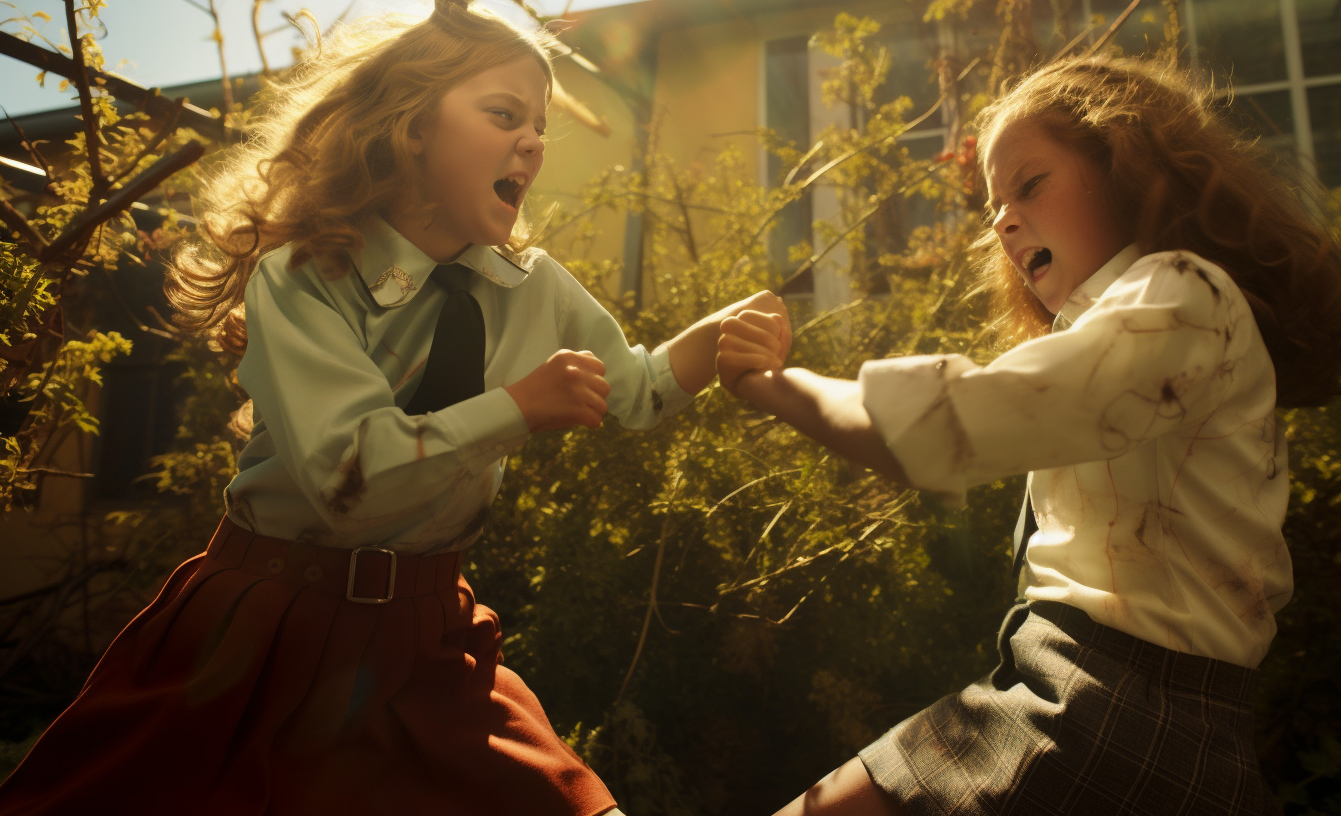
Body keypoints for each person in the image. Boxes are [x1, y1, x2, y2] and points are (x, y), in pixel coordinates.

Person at [0, 2, 785, 814]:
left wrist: (720, 337)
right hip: (266, 626)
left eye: (541, 127)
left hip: (426, 634)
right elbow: (352, 474)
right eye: (503, 114)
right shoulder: (303, 276)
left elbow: (638, 391)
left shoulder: (533, 287)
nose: (533, 143)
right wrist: (518, 408)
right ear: (412, 127)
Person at [716, 56, 1341, 816]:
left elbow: (942, 424)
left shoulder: (1181, 295)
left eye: (1029, 185)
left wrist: (771, 385)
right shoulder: (1128, 329)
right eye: (994, 205)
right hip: (1099, 699)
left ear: (1129, 166)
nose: (1001, 220)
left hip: (1116, 710)